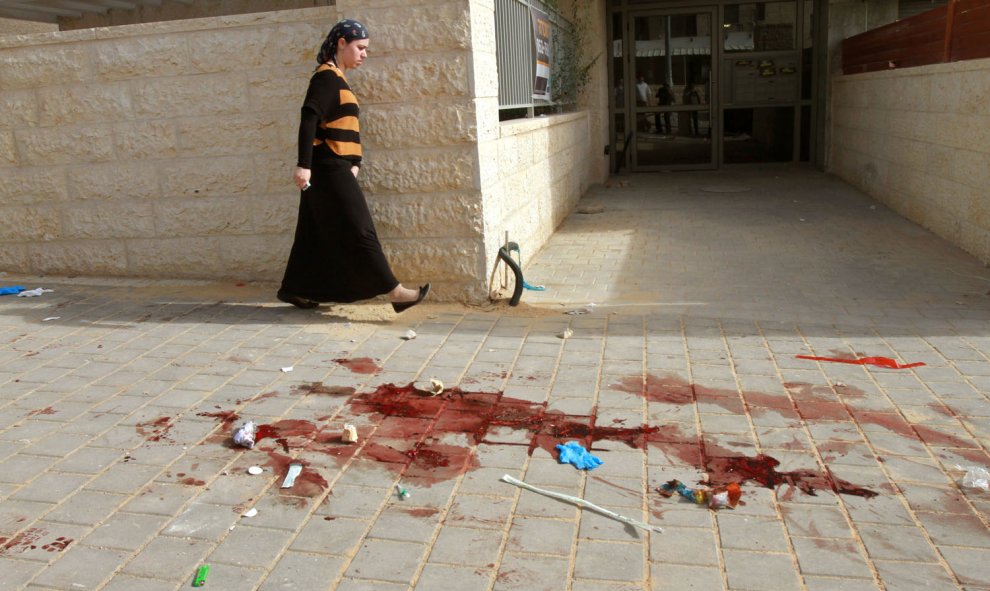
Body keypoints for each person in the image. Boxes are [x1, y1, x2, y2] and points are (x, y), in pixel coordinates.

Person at [278, 19, 429, 313]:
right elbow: (309, 118)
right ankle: (394, 292)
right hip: (324, 167)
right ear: (341, 44)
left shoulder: (338, 79)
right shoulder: (325, 78)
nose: (364, 54)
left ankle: (295, 289)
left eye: (367, 50)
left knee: (313, 232)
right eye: (360, 47)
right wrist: (303, 165)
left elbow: (342, 126)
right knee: (360, 228)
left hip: (335, 166)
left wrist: (355, 162)